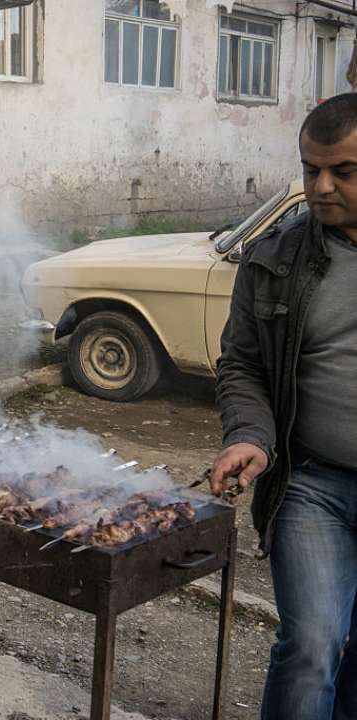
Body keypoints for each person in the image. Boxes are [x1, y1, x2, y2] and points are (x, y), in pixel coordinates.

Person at [211, 93, 357, 719]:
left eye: (344, 172)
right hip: (311, 483)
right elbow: (241, 364)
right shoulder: (273, 257)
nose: (320, 188)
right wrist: (250, 436)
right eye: (309, 170)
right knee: (310, 646)